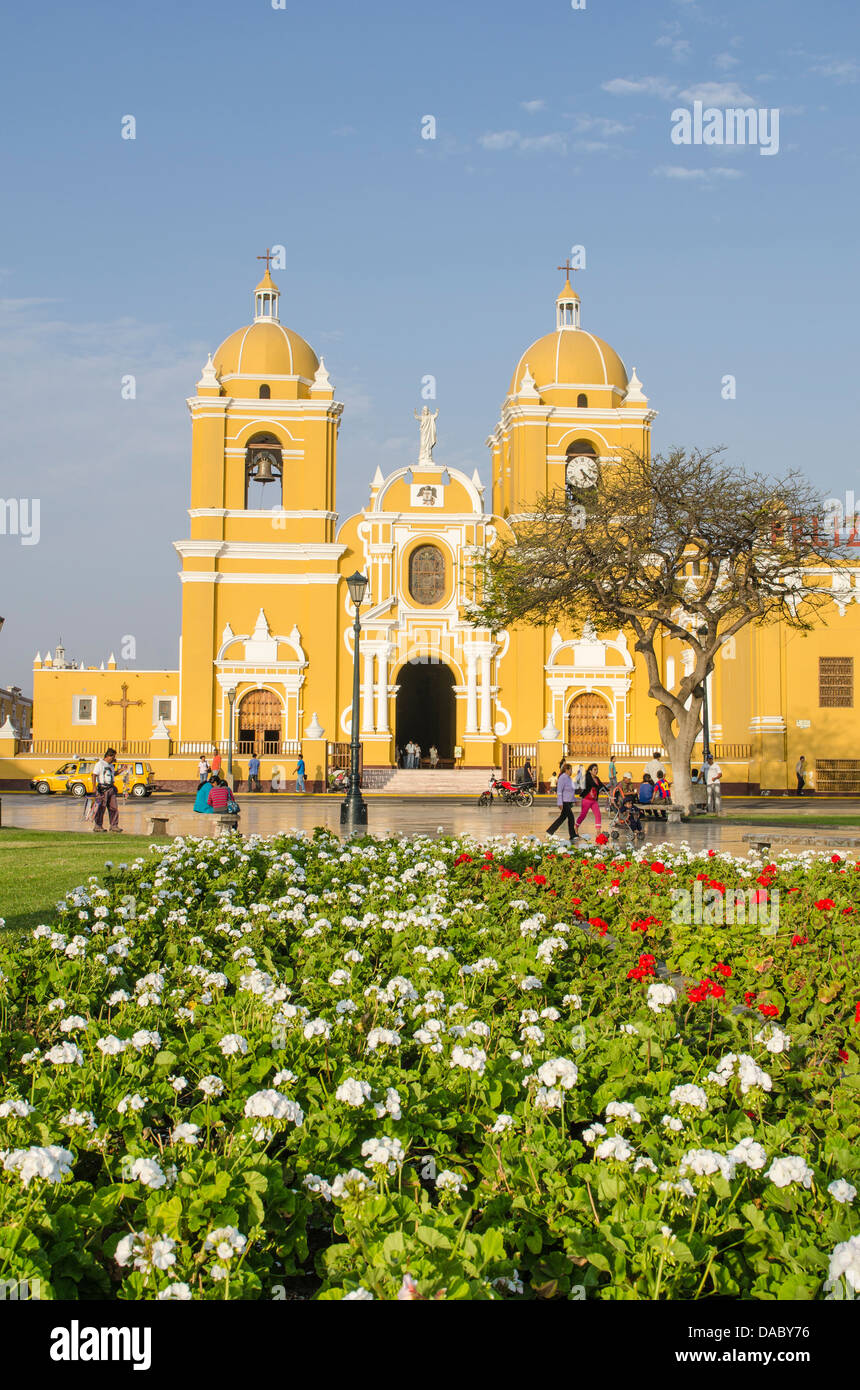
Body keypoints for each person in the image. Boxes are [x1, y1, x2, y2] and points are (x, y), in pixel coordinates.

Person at [92, 748, 122, 833]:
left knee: (114, 808)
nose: (114, 759)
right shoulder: (100, 764)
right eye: (113, 757)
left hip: (111, 788)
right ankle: (98, 825)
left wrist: (121, 770)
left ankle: (114, 825)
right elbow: (94, 775)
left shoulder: (111, 765)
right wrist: (94, 787)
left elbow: (113, 774)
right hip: (102, 789)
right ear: (108, 756)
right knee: (101, 808)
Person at [547, 762, 578, 841]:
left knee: (562, 818)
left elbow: (571, 790)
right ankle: (572, 835)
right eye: (571, 770)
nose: (572, 772)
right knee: (571, 817)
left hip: (568, 801)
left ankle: (550, 831)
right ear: (566, 770)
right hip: (564, 802)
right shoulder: (562, 778)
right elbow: (559, 791)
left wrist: (575, 800)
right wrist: (559, 803)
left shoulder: (569, 778)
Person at [576, 763, 606, 833]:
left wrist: (608, 790)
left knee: (598, 815)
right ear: (590, 771)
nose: (596, 771)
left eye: (597, 770)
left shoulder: (597, 778)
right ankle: (576, 826)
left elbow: (602, 785)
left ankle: (598, 832)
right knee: (583, 815)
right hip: (586, 800)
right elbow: (593, 784)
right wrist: (599, 787)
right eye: (595, 770)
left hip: (594, 801)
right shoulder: (587, 778)